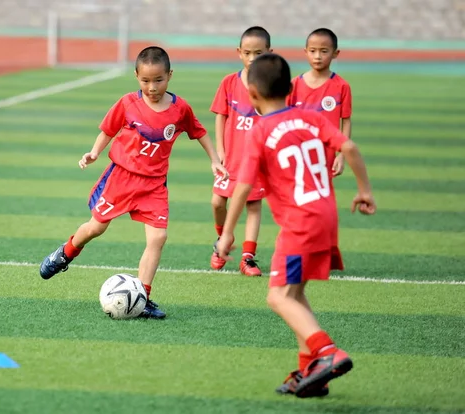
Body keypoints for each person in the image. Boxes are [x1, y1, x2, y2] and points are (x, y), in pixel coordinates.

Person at [217, 53, 376, 398]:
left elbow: (242, 187)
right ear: (291, 89)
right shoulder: (310, 117)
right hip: (326, 216)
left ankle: (326, 352)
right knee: (295, 293)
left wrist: (228, 232)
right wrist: (364, 191)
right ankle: (310, 373)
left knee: (277, 297)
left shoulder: (259, 131)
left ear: (253, 97)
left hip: (299, 224)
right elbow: (348, 146)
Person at [38, 46, 228, 319]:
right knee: (96, 228)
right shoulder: (128, 103)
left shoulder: (180, 109)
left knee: (158, 237)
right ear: (137, 76)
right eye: (146, 81)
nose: (152, 87)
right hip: (121, 179)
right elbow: (108, 129)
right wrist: (94, 152)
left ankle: (143, 297)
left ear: (170, 75)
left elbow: (199, 132)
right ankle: (65, 254)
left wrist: (214, 159)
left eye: (159, 80)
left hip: (154, 185)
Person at [209, 26, 272, 276]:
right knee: (217, 202)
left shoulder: (270, 86)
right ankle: (223, 240)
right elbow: (220, 117)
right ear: (239, 53)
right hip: (231, 158)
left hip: (257, 160)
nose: (253, 58)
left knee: (253, 206)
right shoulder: (229, 82)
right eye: (248, 53)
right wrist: (220, 151)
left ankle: (248, 258)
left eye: (259, 53)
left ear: (269, 53)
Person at [287, 28, 352, 177]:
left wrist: (342, 154)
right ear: (306, 52)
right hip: (297, 154)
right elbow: (284, 120)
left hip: (325, 158)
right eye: (313, 51)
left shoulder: (342, 86)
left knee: (321, 198)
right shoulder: (294, 85)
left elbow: (346, 121)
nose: (317, 56)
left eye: (324, 51)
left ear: (335, 53)